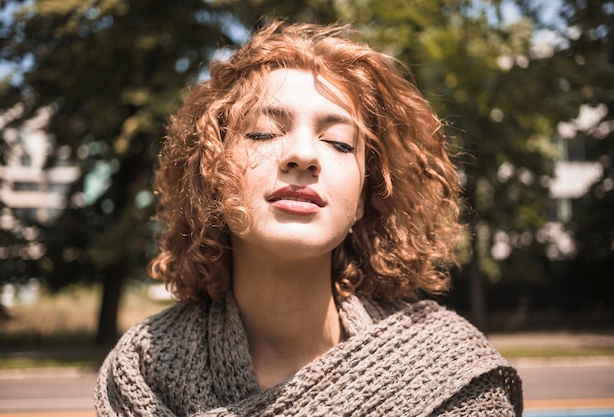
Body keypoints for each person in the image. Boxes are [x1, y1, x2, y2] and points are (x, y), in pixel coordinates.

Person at [95, 20, 523, 416]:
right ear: (213, 176)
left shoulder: (451, 374)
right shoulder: (142, 371)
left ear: (362, 200)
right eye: (263, 132)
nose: (302, 155)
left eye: (338, 142)